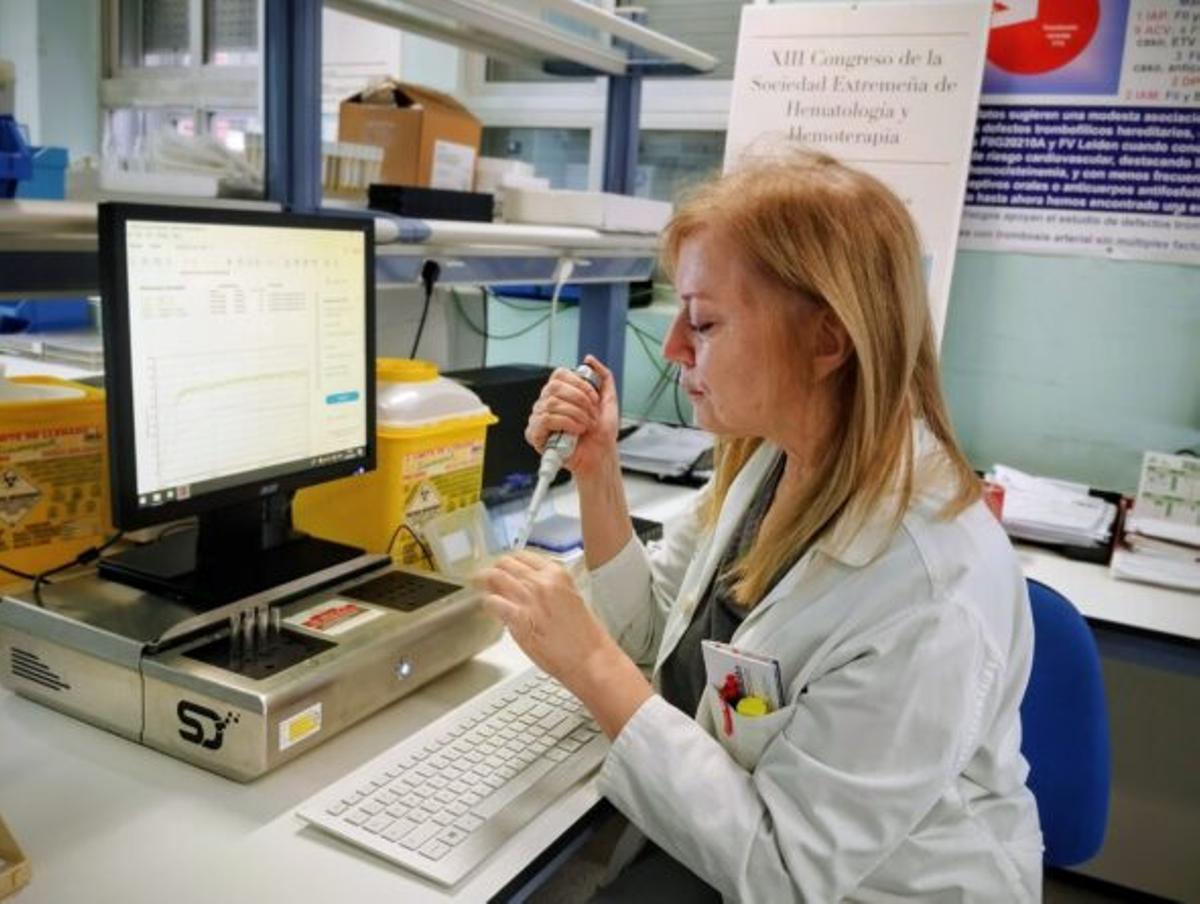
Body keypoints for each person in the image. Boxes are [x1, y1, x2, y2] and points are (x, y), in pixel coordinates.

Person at [478, 151, 1042, 902]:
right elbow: (653, 640)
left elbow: (786, 869)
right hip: (738, 841)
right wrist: (597, 471)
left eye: (704, 321)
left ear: (826, 342)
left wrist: (590, 667)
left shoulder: (929, 590)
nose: (674, 347)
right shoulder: (774, 461)